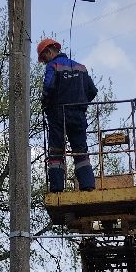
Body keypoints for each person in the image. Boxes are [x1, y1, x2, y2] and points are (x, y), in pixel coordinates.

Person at [37, 38, 98, 192]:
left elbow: (48, 87)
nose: (44, 62)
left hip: (58, 115)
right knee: (80, 150)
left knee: (56, 152)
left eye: (44, 58)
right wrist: (80, 103)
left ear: (49, 52)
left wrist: (44, 102)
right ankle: (88, 186)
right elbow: (92, 91)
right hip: (78, 116)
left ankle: (57, 189)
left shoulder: (53, 65)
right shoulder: (81, 67)